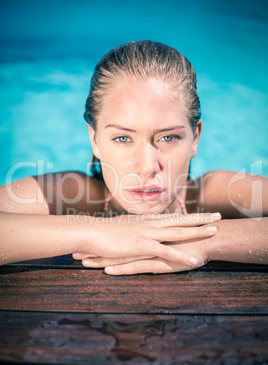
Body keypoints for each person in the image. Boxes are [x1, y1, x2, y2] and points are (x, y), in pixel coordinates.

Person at [0, 40, 267, 274]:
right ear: (94, 139)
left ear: (195, 138)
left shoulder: (208, 194)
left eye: (169, 137)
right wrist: (96, 232)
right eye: (123, 138)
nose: (147, 167)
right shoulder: (76, 193)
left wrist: (202, 241)